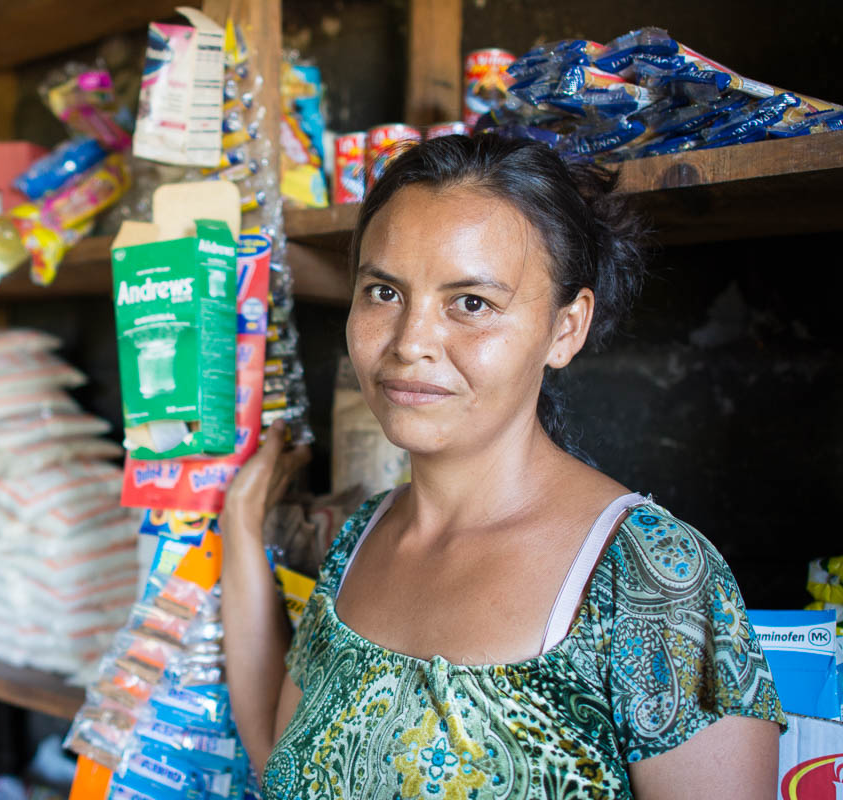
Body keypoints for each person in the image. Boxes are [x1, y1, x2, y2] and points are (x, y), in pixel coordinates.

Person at [219, 134, 784, 799]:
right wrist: (239, 524)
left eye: (472, 303)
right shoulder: (362, 539)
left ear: (565, 329)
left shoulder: (654, 583)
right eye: (383, 292)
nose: (411, 343)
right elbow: (280, 761)